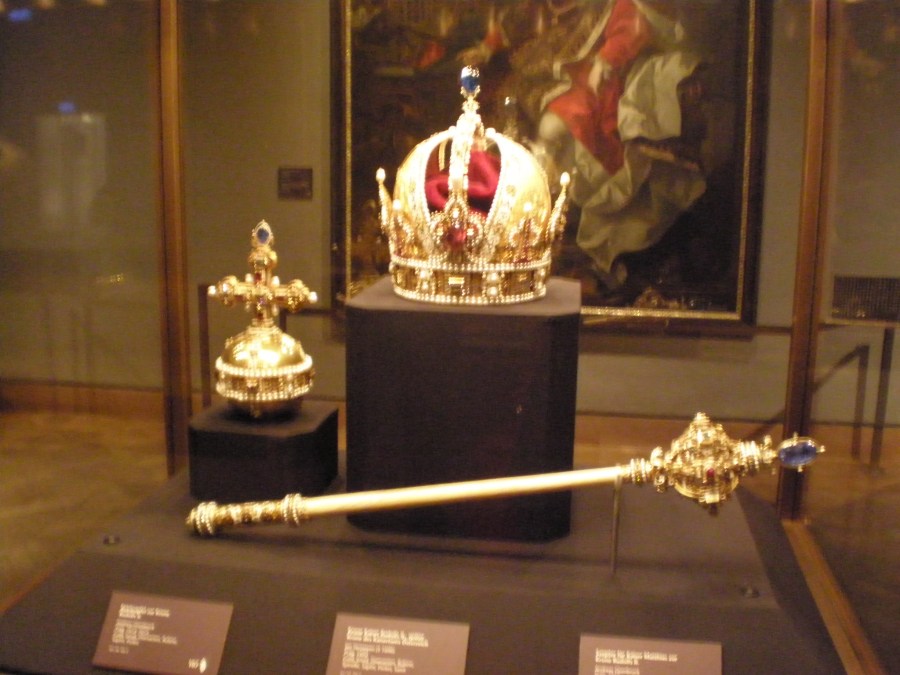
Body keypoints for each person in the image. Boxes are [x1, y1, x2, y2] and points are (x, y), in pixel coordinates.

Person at [459, 0, 707, 293]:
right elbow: (516, 21)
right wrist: (487, 48)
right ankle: (526, 212)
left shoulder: (609, 4)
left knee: (553, 128)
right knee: (511, 126)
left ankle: (556, 211)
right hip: (537, 79)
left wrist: (606, 60)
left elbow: (630, 28)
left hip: (590, 80)